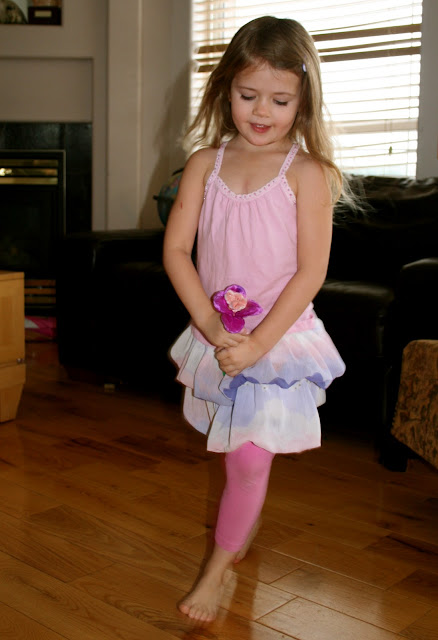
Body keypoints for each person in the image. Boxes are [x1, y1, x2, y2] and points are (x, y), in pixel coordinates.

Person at [163, 15, 347, 623]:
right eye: (248, 95)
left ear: (303, 100)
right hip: (219, 335)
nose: (262, 111)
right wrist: (209, 325)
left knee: (245, 458)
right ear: (225, 91)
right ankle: (245, 521)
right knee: (235, 455)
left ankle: (214, 575)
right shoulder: (204, 165)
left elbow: (310, 272)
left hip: (277, 341)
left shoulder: (305, 173)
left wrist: (259, 343)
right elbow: (176, 250)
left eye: (280, 100)